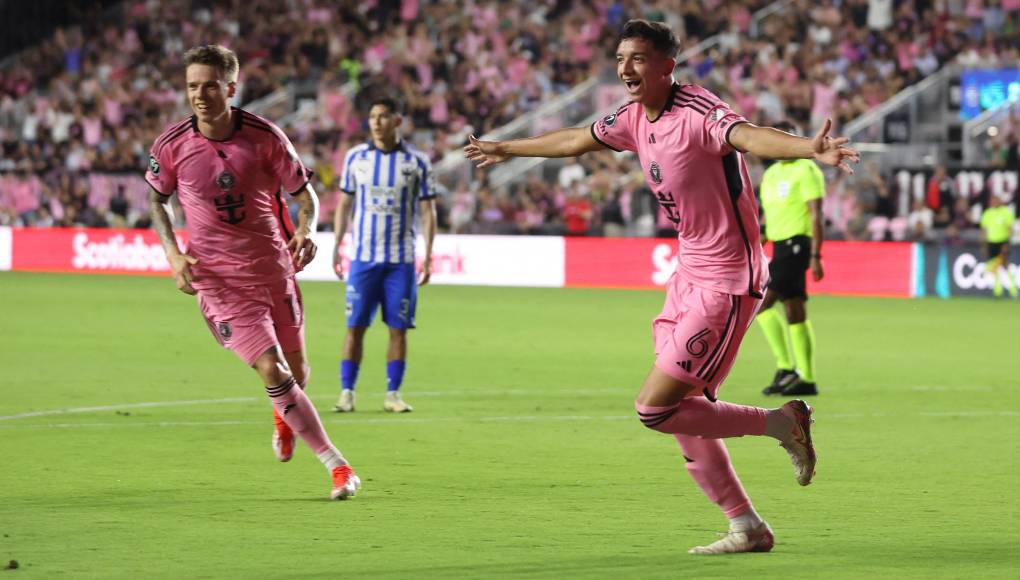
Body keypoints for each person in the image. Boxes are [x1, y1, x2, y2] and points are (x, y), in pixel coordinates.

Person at [465, 20, 858, 554]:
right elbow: (579, 138)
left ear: (667, 66)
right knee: (683, 413)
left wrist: (807, 149)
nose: (626, 68)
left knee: (656, 408)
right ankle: (746, 526)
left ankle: (782, 422)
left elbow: (746, 135)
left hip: (729, 279)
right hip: (688, 275)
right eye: (622, 57)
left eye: (639, 59)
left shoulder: (698, 112)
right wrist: (508, 148)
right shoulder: (632, 117)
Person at [145, 45, 360, 501]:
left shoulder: (266, 138)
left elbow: (306, 196)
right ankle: (338, 466)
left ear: (230, 87)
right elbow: (155, 199)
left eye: (208, 85)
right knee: (272, 367)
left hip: (273, 268)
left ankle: (284, 414)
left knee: (296, 372)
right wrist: (173, 253)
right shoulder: (171, 145)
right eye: (191, 86)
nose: (199, 95)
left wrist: (305, 230)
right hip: (219, 280)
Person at [331, 96, 437, 413]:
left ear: (398, 121)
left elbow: (428, 212)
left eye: (384, 116)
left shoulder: (416, 163)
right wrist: (337, 244)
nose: (376, 122)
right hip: (364, 258)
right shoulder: (356, 158)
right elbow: (345, 204)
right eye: (373, 116)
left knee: (398, 328)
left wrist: (429, 254)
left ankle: (393, 394)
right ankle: (347, 392)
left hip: (400, 261)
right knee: (355, 326)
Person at [755, 121, 825, 397]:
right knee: (795, 311)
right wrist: (759, 241)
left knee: (761, 304)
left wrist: (817, 255)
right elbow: (768, 218)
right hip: (780, 246)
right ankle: (807, 378)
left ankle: (786, 368)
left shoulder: (806, 169)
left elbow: (816, 215)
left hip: (798, 245)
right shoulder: (771, 176)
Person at [979, 195, 1017, 298]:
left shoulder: (1006, 212)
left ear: (1000, 201)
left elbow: (1010, 229)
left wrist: (1007, 244)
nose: (994, 202)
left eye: (996, 200)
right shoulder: (987, 213)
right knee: (994, 267)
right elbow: (984, 230)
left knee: (1004, 265)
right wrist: (983, 245)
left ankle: (1013, 289)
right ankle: (998, 290)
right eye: (992, 201)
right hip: (991, 243)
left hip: (1003, 242)